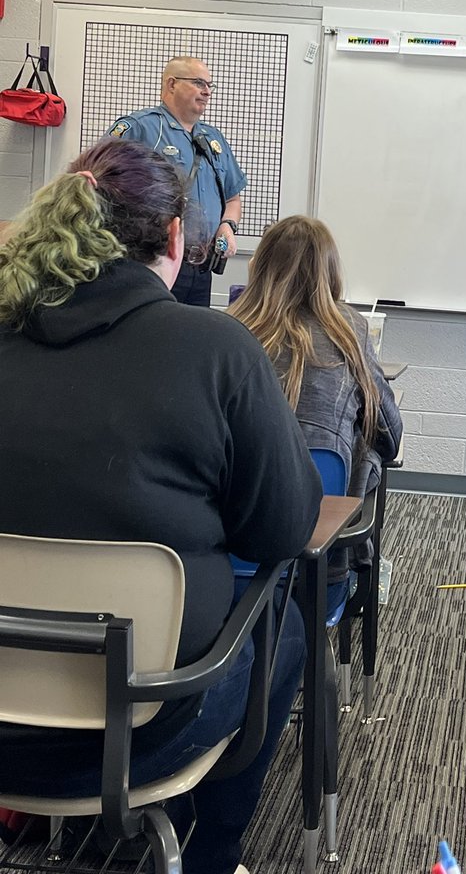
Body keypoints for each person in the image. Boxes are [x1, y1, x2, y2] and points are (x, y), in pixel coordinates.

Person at [0, 139, 322, 874]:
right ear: (176, 235)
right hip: (144, 728)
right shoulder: (216, 349)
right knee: (284, 622)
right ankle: (209, 854)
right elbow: (283, 529)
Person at [228, 215, 402, 606]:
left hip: (225, 559)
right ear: (330, 272)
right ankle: (358, 567)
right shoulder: (349, 330)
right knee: (366, 446)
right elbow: (390, 434)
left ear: (260, 266)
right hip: (317, 562)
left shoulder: (225, 331)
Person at [108, 55, 245, 307]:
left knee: (192, 338)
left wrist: (228, 225)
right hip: (154, 262)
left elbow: (233, 198)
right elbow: (99, 185)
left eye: (209, 86)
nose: (207, 92)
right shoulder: (141, 129)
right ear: (171, 84)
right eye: (198, 83)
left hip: (202, 266)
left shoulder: (213, 138)